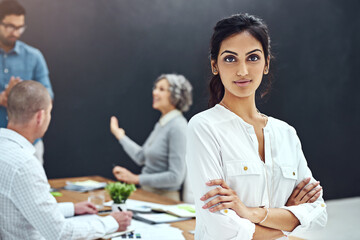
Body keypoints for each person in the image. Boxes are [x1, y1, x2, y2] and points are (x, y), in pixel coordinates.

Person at [185, 13, 327, 239]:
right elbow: (219, 226)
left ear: (266, 63)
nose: (242, 71)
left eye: (252, 58)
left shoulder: (286, 133)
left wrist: (250, 213)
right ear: (215, 65)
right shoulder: (204, 127)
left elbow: (318, 215)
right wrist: (287, 219)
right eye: (230, 59)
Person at [0, 81, 132, 239]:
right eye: (50, 112)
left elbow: (27, 209)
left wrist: (72, 208)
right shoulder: (25, 165)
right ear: (40, 116)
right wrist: (112, 222)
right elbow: (61, 234)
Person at [110, 74, 192, 201]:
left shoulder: (178, 127)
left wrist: (136, 179)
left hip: (164, 200)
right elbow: (141, 157)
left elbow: (176, 177)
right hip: (147, 195)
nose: (155, 92)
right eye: (155, 88)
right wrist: (120, 136)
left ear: (175, 96)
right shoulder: (162, 124)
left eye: (161, 89)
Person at [0, 0, 54, 164]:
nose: (15, 32)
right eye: (10, 26)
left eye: (20, 27)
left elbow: (48, 95)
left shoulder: (34, 56)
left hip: (29, 144)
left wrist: (20, 97)